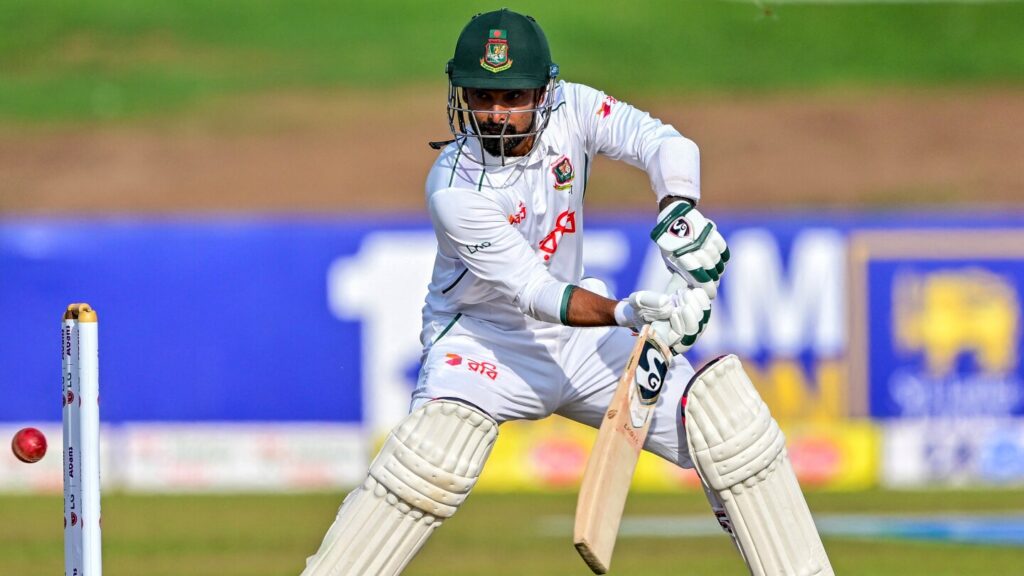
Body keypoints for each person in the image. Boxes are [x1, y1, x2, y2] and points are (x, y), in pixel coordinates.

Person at [301, 9, 831, 576]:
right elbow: (537, 293)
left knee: (725, 427)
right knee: (431, 458)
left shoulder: (574, 108)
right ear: (461, 96)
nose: (497, 114)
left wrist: (678, 209)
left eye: (513, 97)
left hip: (579, 347)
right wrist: (625, 312)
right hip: (485, 343)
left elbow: (662, 142)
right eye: (482, 96)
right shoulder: (453, 188)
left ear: (544, 92)